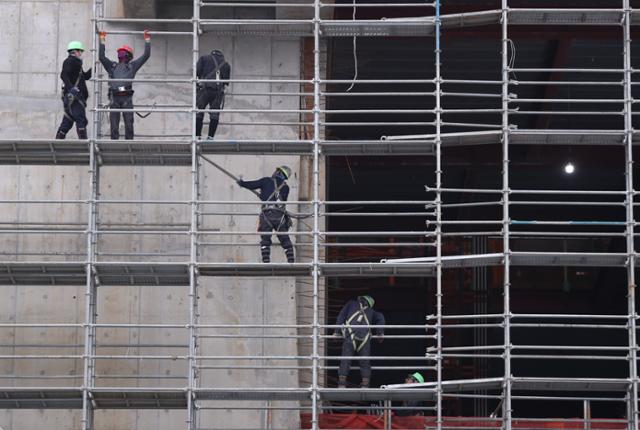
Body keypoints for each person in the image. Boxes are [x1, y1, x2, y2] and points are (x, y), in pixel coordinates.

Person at [99, 29, 151, 140]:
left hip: (127, 98)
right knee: (114, 127)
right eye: (119, 54)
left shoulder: (133, 66)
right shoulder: (112, 66)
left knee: (129, 126)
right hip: (115, 98)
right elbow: (101, 57)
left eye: (122, 54)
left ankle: (129, 147)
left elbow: (146, 55)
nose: (120, 56)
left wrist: (147, 39)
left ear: (128, 56)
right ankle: (114, 148)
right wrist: (102, 39)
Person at [237, 166, 295, 263]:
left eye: (276, 170)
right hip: (279, 216)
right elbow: (280, 200)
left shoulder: (266, 181)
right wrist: (264, 195)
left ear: (278, 172)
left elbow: (252, 185)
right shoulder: (286, 187)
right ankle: (291, 261)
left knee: (265, 239)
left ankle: (266, 261)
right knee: (285, 239)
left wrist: (242, 183)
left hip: (267, 215)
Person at [335, 295, 385, 388]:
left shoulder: (351, 304)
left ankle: (342, 382)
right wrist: (380, 333)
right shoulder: (371, 312)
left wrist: (337, 331)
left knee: (346, 359)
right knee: (364, 361)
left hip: (350, 336)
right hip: (364, 339)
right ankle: (365, 383)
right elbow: (380, 317)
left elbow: (341, 316)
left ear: (360, 299)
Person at [56, 41, 92, 139]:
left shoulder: (76, 64)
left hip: (72, 99)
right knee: (81, 120)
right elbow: (63, 75)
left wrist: (94, 68)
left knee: (67, 122)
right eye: (80, 51)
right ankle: (84, 145)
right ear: (75, 51)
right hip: (75, 98)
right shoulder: (70, 61)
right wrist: (71, 89)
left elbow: (85, 76)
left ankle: (57, 144)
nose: (81, 54)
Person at [196, 49, 231, 140]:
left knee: (199, 111)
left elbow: (197, 72)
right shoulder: (226, 64)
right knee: (214, 114)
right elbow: (226, 82)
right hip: (218, 92)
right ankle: (210, 137)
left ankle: (197, 136)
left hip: (204, 89)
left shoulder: (204, 59)